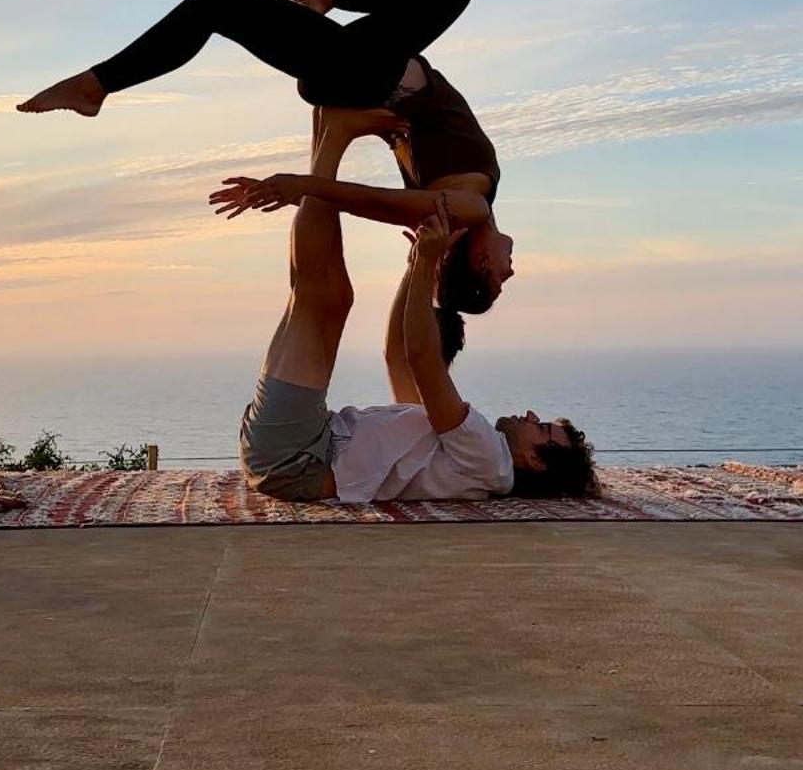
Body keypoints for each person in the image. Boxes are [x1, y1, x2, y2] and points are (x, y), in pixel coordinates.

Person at [18, 0, 514, 338]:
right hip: (359, 65)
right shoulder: (455, 201)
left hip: (362, 71)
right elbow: (394, 180)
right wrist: (375, 133)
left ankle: (98, 85)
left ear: (478, 263)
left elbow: (374, 202)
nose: (510, 271)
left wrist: (301, 186)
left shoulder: (468, 209)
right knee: (215, 2)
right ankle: (95, 86)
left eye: (498, 281)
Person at [236, 106, 597, 504]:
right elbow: (398, 357)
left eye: (542, 428)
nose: (531, 415)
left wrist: (427, 263)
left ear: (535, 461)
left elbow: (423, 355)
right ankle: (327, 128)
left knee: (319, 297)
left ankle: (332, 136)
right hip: (298, 451)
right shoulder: (458, 450)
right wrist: (414, 269)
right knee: (328, 296)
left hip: (298, 457)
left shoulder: (492, 460)